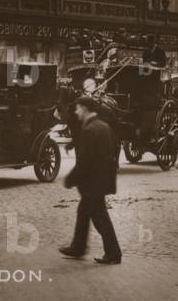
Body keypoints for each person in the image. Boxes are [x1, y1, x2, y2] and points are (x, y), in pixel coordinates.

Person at [60, 97, 122, 265]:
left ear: (86, 109)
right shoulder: (104, 126)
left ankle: (113, 253)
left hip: (92, 182)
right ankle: (78, 248)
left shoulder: (89, 130)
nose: (76, 111)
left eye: (78, 108)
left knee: (99, 217)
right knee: (84, 213)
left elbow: (84, 161)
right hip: (101, 180)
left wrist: (70, 179)